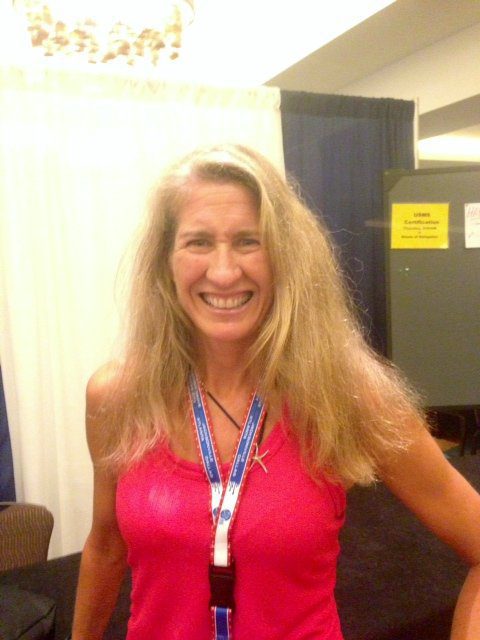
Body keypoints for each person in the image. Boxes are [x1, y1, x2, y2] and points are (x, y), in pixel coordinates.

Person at [72, 144, 480, 640]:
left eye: (249, 241)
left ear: (286, 257)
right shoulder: (118, 397)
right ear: (165, 262)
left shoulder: (347, 394)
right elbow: (106, 547)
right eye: (198, 242)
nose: (224, 271)